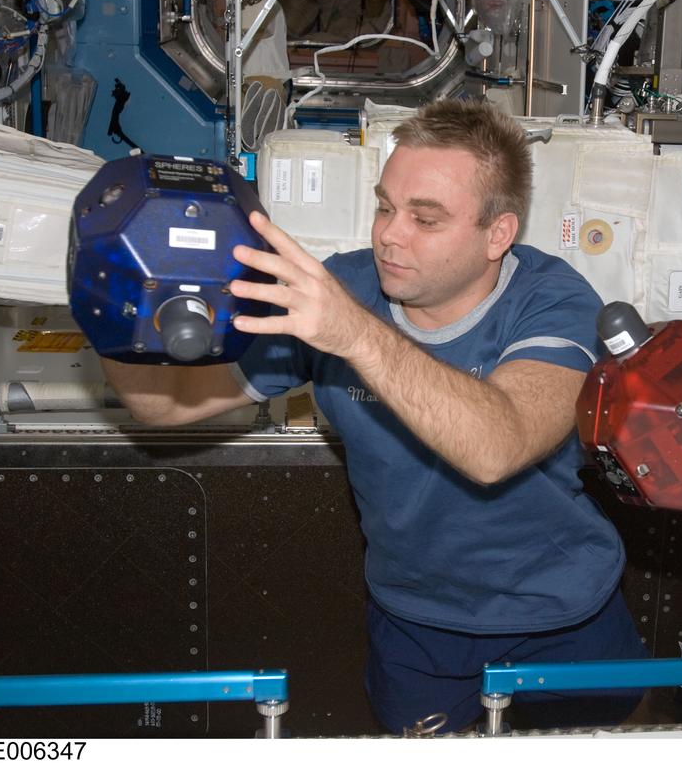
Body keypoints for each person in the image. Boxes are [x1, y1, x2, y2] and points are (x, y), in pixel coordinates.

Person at [101, 100, 647, 732]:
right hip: (417, 625)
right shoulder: (345, 290)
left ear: (498, 234)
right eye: (387, 205)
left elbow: (498, 445)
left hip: (563, 613)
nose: (390, 233)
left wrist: (354, 334)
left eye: (426, 218)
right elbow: (159, 404)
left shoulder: (554, 302)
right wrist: (109, 305)